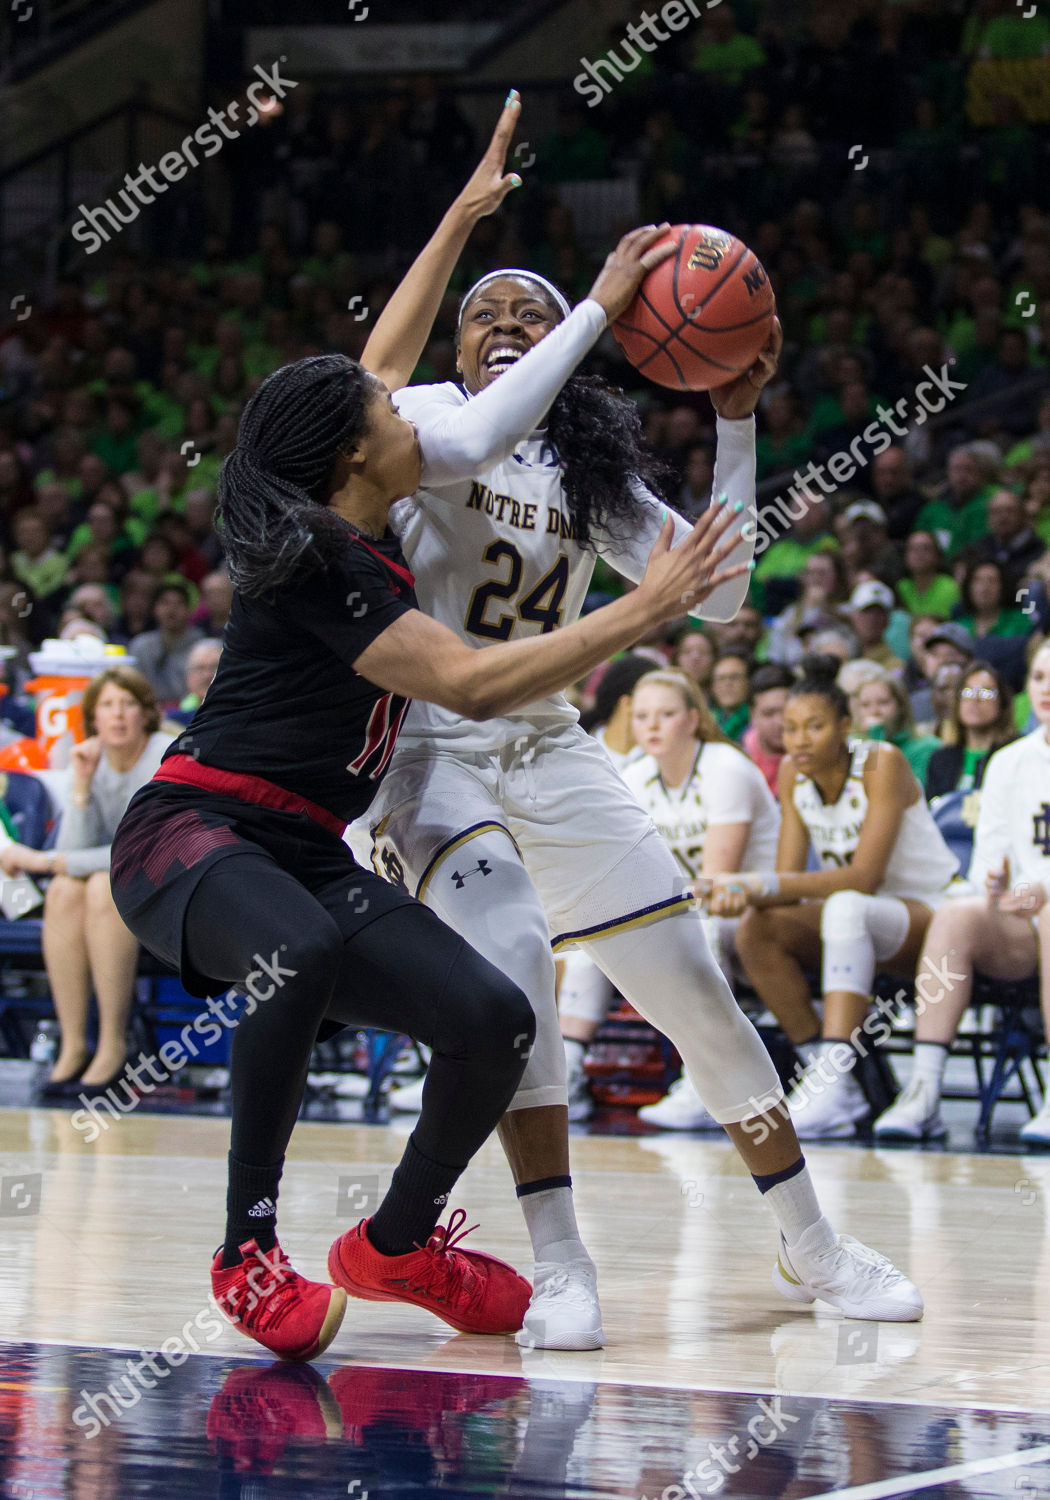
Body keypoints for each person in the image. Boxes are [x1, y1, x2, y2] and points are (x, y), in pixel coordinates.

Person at [108, 116, 754, 1364]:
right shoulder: (319, 559)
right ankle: (249, 1251)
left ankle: (397, 1243)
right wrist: (646, 607)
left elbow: (387, 369)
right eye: (388, 405)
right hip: (192, 835)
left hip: (301, 850)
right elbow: (465, 679)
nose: (413, 399)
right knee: (291, 952)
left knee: (496, 1015)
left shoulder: (366, 499)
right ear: (363, 447)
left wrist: (463, 218)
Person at [356, 152, 923, 1346]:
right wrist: (596, 306)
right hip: (431, 750)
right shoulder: (422, 419)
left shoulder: (586, 467)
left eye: (530, 312)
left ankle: (811, 1241)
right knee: (515, 960)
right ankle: (562, 1261)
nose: (506, 325)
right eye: (487, 317)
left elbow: (717, 600)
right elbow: (465, 437)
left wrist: (734, 417)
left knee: (697, 997)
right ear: (461, 353)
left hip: (550, 744)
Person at [705, 658, 960, 1140]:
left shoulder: (883, 762)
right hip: (859, 921)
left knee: (845, 905)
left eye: (815, 727)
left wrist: (761, 885)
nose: (799, 739)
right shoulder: (789, 774)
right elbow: (787, 879)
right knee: (757, 929)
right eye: (791, 728)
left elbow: (864, 877)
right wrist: (737, 892)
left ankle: (834, 1074)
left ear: (845, 726)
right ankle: (828, 1084)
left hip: (930, 913)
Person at [873, 639, 1050, 1143]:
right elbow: (990, 862)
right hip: (1024, 923)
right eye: (1039, 677)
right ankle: (923, 1093)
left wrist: (1041, 890)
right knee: (958, 916)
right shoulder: (1009, 763)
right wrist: (1002, 888)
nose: (1047, 688)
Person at [0, 667, 173, 1095]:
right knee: (64, 890)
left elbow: (139, 851)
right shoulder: (91, 758)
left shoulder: (163, 755)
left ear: (145, 713)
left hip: (169, 883)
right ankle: (74, 1043)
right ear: (92, 717)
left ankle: (114, 1043)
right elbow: (78, 847)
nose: (118, 716)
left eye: (128, 704)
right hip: (114, 886)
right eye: (107, 706)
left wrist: (45, 861)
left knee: (98, 885)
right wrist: (79, 784)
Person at [625, 669, 780, 1129]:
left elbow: (714, 879)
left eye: (666, 715)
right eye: (642, 716)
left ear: (693, 719)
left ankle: (706, 1079)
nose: (652, 726)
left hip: (753, 911)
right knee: (587, 945)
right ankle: (570, 1071)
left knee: (701, 927)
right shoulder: (632, 775)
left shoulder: (725, 767)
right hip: (679, 910)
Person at [924, 663, 1016, 798]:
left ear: (1002, 702)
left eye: (986, 693)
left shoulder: (1015, 753)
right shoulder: (940, 759)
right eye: (967, 692)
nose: (975, 699)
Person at [854, 673, 943, 784]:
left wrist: (876, 736)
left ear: (901, 705)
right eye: (865, 705)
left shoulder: (926, 747)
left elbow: (895, 792)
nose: (874, 712)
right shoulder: (855, 745)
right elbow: (855, 791)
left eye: (883, 703)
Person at [129, 579, 205, 705]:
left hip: (191, 712)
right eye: (165, 603)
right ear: (154, 609)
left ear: (189, 609)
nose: (172, 609)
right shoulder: (140, 645)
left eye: (179, 603)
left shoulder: (202, 646)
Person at [742, 662, 794, 796]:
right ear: (752, 716)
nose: (779, 722)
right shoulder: (741, 759)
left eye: (785, 712)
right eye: (768, 714)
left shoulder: (814, 756)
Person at [710, 649, 752, 739]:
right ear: (713, 686)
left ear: (748, 682)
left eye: (735, 677)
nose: (727, 684)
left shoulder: (756, 722)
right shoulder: (709, 723)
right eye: (721, 678)